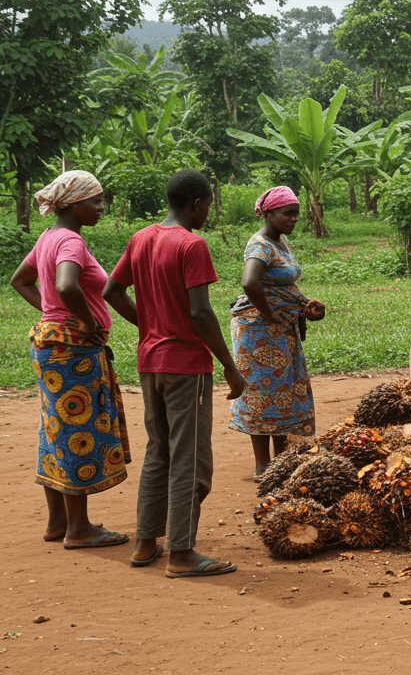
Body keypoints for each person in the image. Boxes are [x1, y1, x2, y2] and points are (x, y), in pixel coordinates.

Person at [104, 169, 246, 578]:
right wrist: (229, 365)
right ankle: (181, 553)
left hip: (150, 363)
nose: (208, 213)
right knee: (190, 460)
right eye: (208, 206)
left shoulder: (140, 238)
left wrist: (151, 326)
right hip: (186, 366)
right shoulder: (191, 244)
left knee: (158, 453)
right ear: (196, 203)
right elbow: (200, 313)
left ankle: (145, 543)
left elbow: (112, 291)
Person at [9, 171, 137, 549]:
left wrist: (52, 313)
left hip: (50, 345)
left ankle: (58, 522)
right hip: (72, 352)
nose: (101, 207)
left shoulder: (48, 237)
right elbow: (66, 284)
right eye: (95, 200)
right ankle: (79, 529)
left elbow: (20, 281)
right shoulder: (70, 240)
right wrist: (85, 320)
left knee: (55, 430)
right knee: (77, 433)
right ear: (73, 204)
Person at [228, 186, 315, 478]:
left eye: (296, 214)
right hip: (259, 333)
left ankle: (281, 461)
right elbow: (249, 283)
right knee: (262, 395)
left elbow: (282, 283)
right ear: (269, 213)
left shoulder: (280, 241)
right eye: (287, 214)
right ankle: (263, 466)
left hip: (279, 331)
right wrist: (269, 314)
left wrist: (304, 305)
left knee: (281, 395)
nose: (293, 219)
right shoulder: (259, 244)